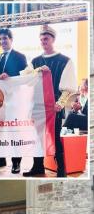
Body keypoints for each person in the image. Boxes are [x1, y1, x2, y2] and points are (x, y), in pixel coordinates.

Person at [23, 25, 77, 177]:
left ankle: (61, 169)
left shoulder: (65, 61)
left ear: (53, 39)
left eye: (46, 38)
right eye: (41, 39)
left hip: (54, 107)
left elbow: (68, 86)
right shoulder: (35, 61)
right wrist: (37, 71)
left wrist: (60, 103)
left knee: (56, 138)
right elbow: (26, 79)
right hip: (37, 106)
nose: (43, 41)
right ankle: (38, 166)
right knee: (37, 137)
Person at [0, 28, 27, 174]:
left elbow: (24, 78)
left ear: (11, 39)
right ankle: (1, 158)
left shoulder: (20, 57)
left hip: (14, 101)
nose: (2, 42)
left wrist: (11, 76)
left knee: (14, 132)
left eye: (4, 38)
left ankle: (16, 162)